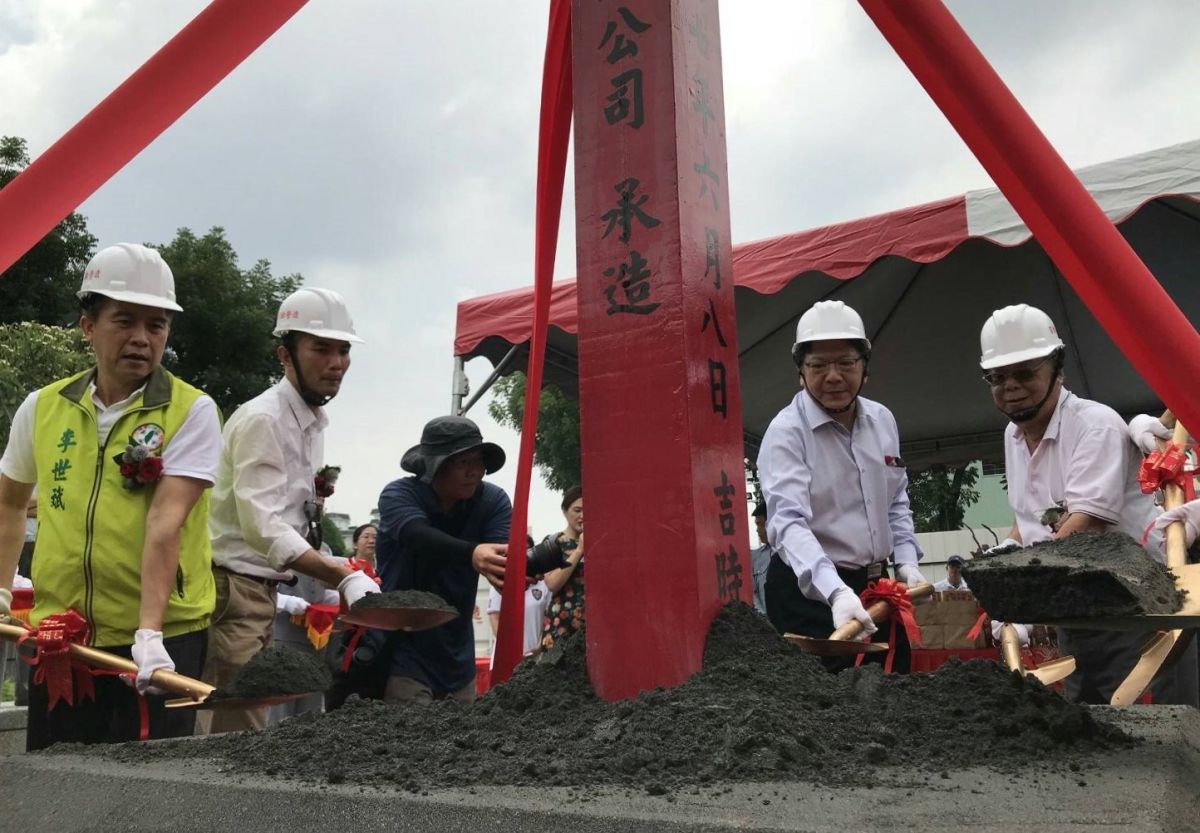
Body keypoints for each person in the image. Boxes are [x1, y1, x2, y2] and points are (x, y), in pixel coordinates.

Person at [0, 243, 222, 749]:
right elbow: (9, 502)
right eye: (125, 321)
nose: (142, 339)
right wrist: (1, 593)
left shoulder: (192, 411)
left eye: (157, 325)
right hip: (64, 637)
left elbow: (165, 523)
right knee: (55, 791)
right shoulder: (43, 407)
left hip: (162, 644)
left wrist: (149, 634)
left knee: (146, 803)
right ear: (87, 326)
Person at [978, 304, 1196, 705]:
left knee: (1145, 730)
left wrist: (1016, 594)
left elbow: (1084, 528)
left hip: (1134, 612)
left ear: (1057, 370)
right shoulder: (1013, 435)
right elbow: (1031, 517)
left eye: (1025, 373)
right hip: (1076, 614)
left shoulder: (1094, 425)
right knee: (1090, 727)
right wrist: (1009, 550)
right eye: (997, 377)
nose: (1010, 385)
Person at [197, 288, 379, 734]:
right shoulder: (265, 419)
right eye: (321, 348)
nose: (337, 362)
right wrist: (340, 574)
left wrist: (342, 567)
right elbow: (263, 527)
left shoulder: (311, 422)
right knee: (235, 727)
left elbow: (296, 519)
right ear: (285, 354)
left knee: (243, 721)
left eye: (343, 350)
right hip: (233, 590)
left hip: (261, 591)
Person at [757, 300, 926, 672]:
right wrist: (834, 592)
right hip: (810, 596)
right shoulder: (786, 433)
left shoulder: (882, 420)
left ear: (865, 368)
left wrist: (908, 562)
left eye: (846, 363)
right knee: (826, 711)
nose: (833, 376)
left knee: (892, 691)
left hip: (876, 590)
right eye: (818, 366)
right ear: (800, 372)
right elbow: (787, 523)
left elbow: (896, 502)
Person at [371, 416, 511, 704]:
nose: (474, 472)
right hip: (401, 644)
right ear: (434, 466)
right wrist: (472, 553)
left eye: (479, 461)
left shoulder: (492, 501)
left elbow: (501, 553)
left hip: (458, 651)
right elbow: (417, 534)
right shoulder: (400, 494)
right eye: (462, 463)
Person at [541, 485, 586, 649]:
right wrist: (579, 550)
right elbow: (552, 583)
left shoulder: (599, 543)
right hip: (561, 624)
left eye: (587, 510)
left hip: (592, 626)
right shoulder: (553, 543)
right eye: (577, 510)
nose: (582, 516)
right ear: (564, 511)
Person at [750, 501, 771, 615]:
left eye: (760, 524)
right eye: (756, 525)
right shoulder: (755, 558)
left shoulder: (792, 554)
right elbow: (752, 593)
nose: (757, 530)